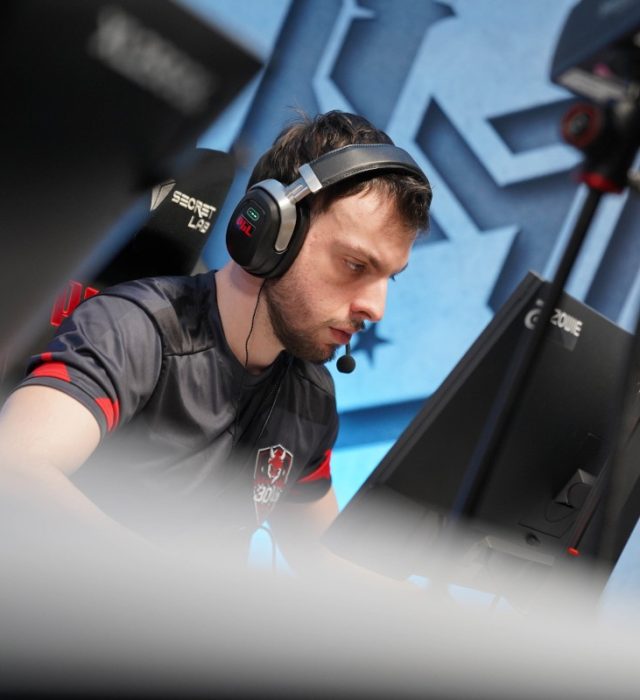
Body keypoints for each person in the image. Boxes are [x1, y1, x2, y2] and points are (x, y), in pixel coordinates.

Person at [0, 110, 432, 570]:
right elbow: (16, 469)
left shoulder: (310, 398)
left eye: (389, 278)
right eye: (354, 265)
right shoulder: (135, 328)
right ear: (273, 233)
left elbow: (321, 560)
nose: (376, 308)